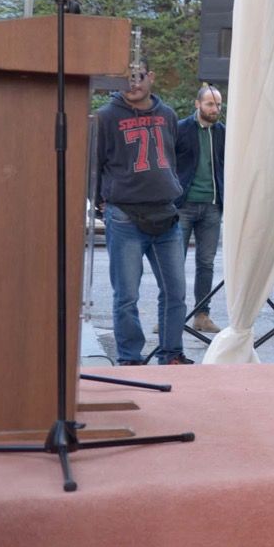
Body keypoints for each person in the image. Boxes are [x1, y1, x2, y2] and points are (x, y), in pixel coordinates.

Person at [94, 57, 190, 366]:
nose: (133, 83)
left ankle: (172, 353)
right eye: (126, 77)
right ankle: (130, 359)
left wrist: (173, 188)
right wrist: (99, 200)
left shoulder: (168, 114)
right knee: (127, 296)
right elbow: (94, 163)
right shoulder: (106, 117)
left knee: (175, 292)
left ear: (151, 77)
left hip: (166, 215)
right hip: (125, 217)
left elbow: (172, 158)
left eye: (138, 76)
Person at [173, 84, 225, 333]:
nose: (215, 109)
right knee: (175, 262)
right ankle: (171, 315)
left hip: (212, 206)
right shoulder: (180, 129)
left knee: (206, 263)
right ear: (197, 104)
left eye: (218, 105)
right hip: (183, 205)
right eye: (210, 104)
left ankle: (202, 316)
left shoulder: (224, 133)